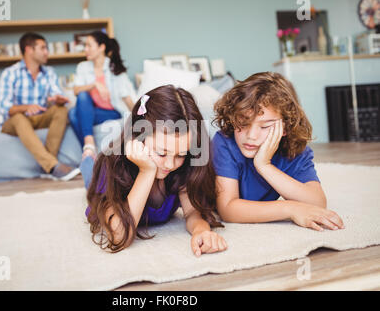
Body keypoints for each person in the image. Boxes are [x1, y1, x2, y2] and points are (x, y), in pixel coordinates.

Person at [81, 85, 227, 256]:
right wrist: (146, 172)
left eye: (180, 154)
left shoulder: (183, 165)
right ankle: (87, 156)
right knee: (89, 174)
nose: (170, 164)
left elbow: (191, 211)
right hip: (101, 170)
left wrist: (200, 230)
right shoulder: (113, 166)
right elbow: (119, 236)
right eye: (161, 153)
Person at [212, 72, 345, 231]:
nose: (251, 136)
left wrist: (264, 165)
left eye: (265, 126)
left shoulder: (295, 150)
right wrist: (290, 209)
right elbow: (227, 209)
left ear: (287, 127)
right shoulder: (224, 142)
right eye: (243, 122)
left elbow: (317, 203)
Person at [0, 32, 80, 181]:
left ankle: (47, 167)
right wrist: (25, 108)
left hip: (40, 118)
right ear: (29, 50)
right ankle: (53, 165)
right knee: (18, 117)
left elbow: (56, 94)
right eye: (42, 48)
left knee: (60, 110)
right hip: (15, 123)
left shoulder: (49, 73)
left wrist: (58, 99)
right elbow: (4, 108)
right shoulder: (10, 73)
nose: (46, 52)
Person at [69, 31, 135, 159]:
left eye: (89, 45)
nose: (85, 49)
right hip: (92, 111)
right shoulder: (82, 67)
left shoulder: (114, 67)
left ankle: (90, 151)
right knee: (81, 98)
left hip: (112, 112)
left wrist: (139, 117)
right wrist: (94, 85)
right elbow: (76, 90)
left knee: (74, 114)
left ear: (101, 47)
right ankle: (90, 149)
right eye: (85, 46)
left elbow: (126, 96)